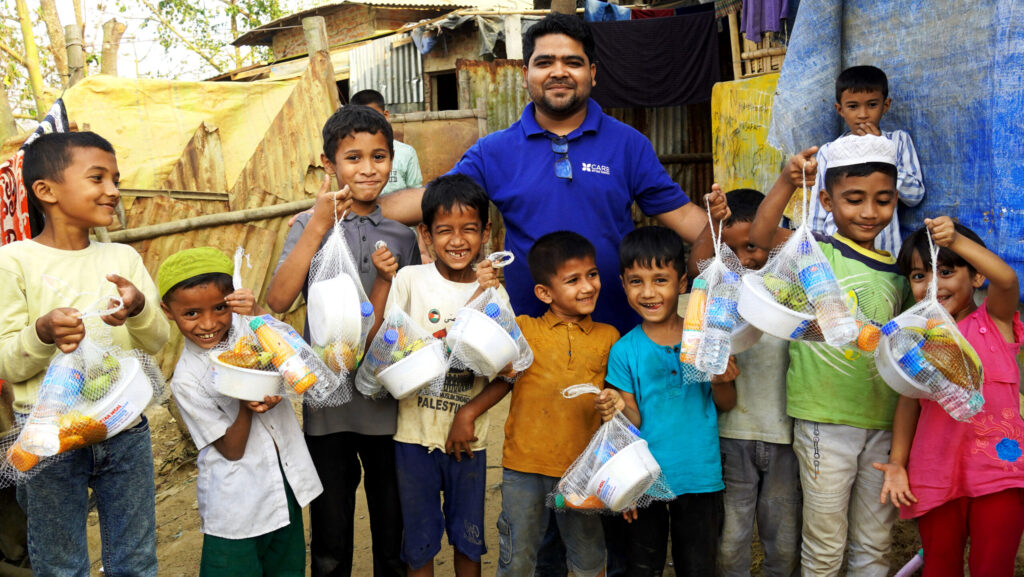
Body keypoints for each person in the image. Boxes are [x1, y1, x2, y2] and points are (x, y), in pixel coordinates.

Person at [378, 13, 709, 338]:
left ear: (592, 73)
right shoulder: (495, 151)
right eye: (545, 62)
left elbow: (682, 214)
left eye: (573, 62)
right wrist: (354, 210)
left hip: (617, 334)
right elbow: (434, 200)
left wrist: (742, 241)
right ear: (526, 74)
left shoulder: (628, 144)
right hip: (530, 336)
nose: (559, 72)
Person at [0, 132, 170, 575]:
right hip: (46, 435)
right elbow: (7, 363)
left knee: (134, 558)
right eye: (98, 178)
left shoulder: (123, 257)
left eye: (116, 179)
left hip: (124, 425)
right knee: (61, 565)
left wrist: (137, 309)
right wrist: (41, 332)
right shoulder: (13, 261)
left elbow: (156, 341)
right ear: (46, 191)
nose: (113, 190)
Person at [747, 134, 911, 576]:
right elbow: (760, 237)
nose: (869, 212)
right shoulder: (815, 250)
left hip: (881, 423)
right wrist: (786, 181)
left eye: (883, 200)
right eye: (854, 199)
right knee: (824, 545)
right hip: (824, 421)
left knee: (875, 545)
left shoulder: (901, 272)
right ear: (826, 199)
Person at [267, 105, 419, 577]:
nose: (368, 169)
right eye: (353, 157)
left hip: (387, 401)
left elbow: (405, 315)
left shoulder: (402, 235)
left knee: (392, 525)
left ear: (393, 160)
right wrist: (316, 225)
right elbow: (279, 299)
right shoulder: (306, 227)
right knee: (330, 533)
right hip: (328, 405)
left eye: (379, 156)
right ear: (329, 163)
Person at [159, 247, 323, 576]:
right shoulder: (187, 378)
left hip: (284, 486)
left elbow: (302, 365)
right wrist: (246, 401)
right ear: (168, 311)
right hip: (237, 505)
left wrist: (258, 313)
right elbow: (232, 450)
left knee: (286, 570)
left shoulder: (253, 332)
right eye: (191, 313)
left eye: (220, 308)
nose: (208, 323)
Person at [875, 217, 1024, 576]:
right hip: (935, 474)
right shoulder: (915, 338)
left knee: (993, 568)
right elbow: (908, 401)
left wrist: (955, 240)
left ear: (976, 277)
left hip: (999, 473)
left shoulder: (995, 321)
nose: (931, 285)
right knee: (940, 567)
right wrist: (897, 463)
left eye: (945, 271)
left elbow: (1006, 280)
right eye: (919, 275)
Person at [384, 174, 512, 577]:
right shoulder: (409, 281)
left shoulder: (496, 293)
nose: (458, 241)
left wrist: (467, 414)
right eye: (444, 231)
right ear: (425, 234)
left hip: (468, 439)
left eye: (469, 230)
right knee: (419, 544)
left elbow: (509, 372)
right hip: (413, 436)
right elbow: (389, 348)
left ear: (486, 232)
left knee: (468, 539)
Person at [596, 226, 737, 576]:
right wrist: (616, 407)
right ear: (623, 283)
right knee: (643, 567)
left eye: (660, 279)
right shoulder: (624, 350)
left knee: (699, 566)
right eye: (636, 281)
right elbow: (634, 422)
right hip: (646, 480)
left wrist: (722, 379)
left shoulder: (705, 338)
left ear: (682, 282)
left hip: (699, 475)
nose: (648, 292)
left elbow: (727, 403)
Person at [497, 231, 618, 577]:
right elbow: (488, 342)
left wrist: (614, 401)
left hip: (582, 471)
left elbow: (617, 393)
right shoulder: (524, 330)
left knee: (588, 556)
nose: (587, 286)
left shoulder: (609, 337)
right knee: (517, 556)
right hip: (524, 468)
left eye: (592, 275)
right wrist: (487, 287)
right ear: (544, 293)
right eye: (573, 280)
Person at [693, 188, 800, 577]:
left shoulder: (790, 286)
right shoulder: (722, 290)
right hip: (732, 433)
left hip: (785, 435)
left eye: (754, 245)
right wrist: (714, 222)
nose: (746, 258)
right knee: (732, 536)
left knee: (783, 537)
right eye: (733, 250)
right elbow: (700, 263)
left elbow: (800, 242)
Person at [806, 65, 925, 254]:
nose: (863, 114)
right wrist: (816, 253)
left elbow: (915, 195)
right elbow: (817, 214)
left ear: (885, 106)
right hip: (840, 255)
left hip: (886, 252)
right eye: (853, 106)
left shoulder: (898, 141)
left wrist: (881, 150)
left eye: (872, 104)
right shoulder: (829, 151)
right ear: (840, 110)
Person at [349, 89, 424, 196]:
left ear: (386, 116)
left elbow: (416, 194)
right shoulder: (348, 155)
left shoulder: (406, 152)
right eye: (360, 119)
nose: (368, 124)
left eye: (374, 117)